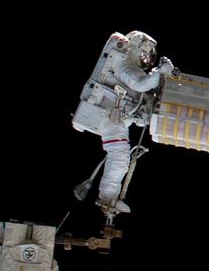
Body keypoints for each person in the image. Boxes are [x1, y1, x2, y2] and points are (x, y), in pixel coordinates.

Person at [71, 31, 173, 214]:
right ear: (138, 46)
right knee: (119, 158)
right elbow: (140, 85)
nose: (147, 57)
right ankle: (107, 199)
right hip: (110, 116)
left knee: (120, 158)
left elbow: (140, 98)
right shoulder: (123, 64)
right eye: (147, 51)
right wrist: (160, 72)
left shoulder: (128, 67)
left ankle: (109, 198)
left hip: (113, 117)